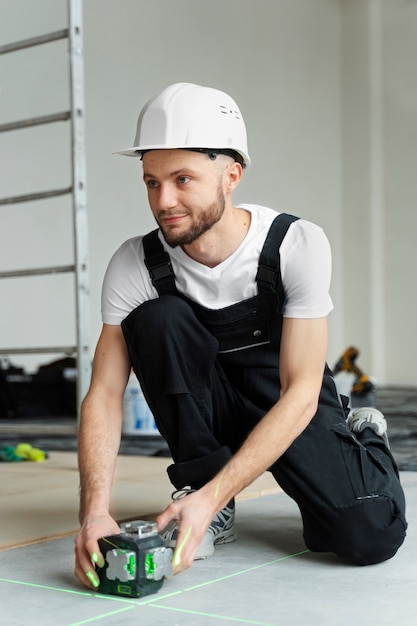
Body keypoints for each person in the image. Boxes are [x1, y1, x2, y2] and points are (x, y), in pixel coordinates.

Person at [75, 82, 407, 589]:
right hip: (209, 409)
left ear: (231, 175)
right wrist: (94, 512)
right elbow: (103, 393)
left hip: (285, 402)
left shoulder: (294, 244)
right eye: (151, 182)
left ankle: (365, 437)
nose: (164, 201)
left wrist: (204, 501)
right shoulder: (134, 263)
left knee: (366, 534)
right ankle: (206, 489)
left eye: (183, 179)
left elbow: (299, 393)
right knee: (158, 317)